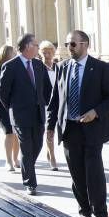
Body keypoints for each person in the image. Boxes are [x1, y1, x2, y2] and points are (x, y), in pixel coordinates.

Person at [47, 31, 109, 217]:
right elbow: (55, 100)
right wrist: (50, 127)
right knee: (76, 172)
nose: (69, 48)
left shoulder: (101, 68)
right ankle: (84, 210)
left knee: (93, 171)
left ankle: (100, 213)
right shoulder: (61, 67)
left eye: (73, 44)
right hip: (69, 128)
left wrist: (96, 111)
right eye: (67, 44)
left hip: (92, 128)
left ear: (85, 45)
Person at [0, 33, 53, 196]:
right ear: (27, 47)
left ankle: (27, 166)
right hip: (21, 115)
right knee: (27, 148)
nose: (38, 48)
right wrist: (14, 108)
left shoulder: (38, 65)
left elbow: (47, 88)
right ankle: (30, 182)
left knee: (37, 145)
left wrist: (45, 103)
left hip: (38, 114)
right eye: (36, 45)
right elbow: (3, 93)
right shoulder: (10, 66)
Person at [0, 45, 20, 172]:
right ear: (6, 54)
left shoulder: (17, 68)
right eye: (12, 52)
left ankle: (16, 158)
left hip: (16, 106)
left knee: (17, 134)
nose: (15, 54)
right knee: (9, 133)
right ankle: (9, 161)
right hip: (3, 107)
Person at [39, 40, 60, 171]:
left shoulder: (58, 66)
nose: (47, 54)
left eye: (50, 51)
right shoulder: (39, 67)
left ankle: (49, 151)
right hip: (46, 103)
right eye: (44, 52)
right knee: (49, 130)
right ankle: (52, 156)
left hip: (58, 103)